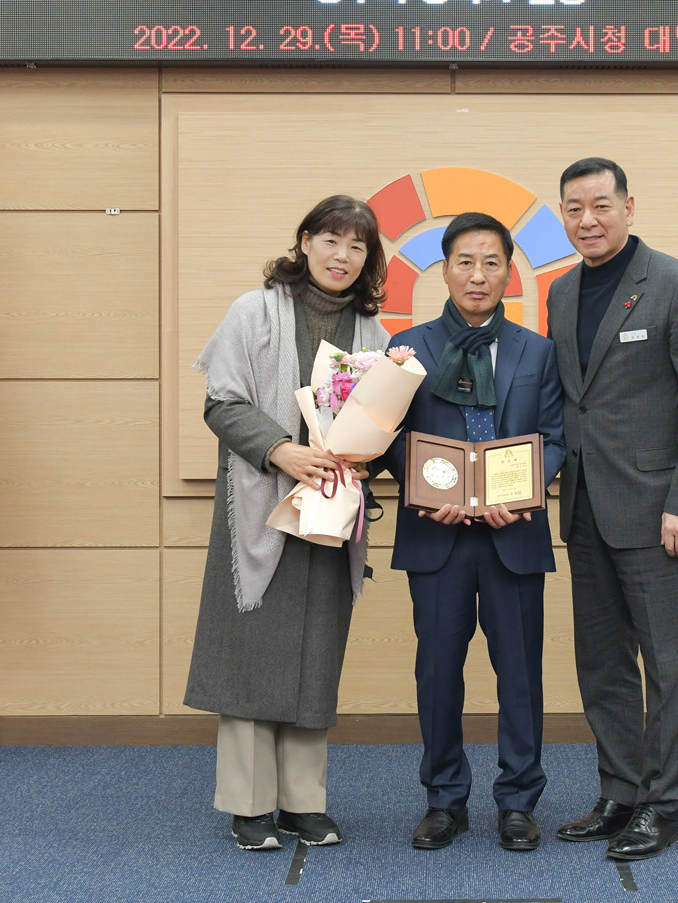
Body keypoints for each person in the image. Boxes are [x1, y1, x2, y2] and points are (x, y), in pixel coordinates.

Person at [186, 195, 389, 851]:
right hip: (261, 506)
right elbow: (222, 404)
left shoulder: (374, 335)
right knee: (253, 650)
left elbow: (380, 423)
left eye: (357, 245)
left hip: (331, 510)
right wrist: (282, 450)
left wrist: (368, 451)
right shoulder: (254, 311)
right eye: (331, 240)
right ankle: (248, 806)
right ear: (304, 242)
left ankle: (303, 803)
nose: (342, 255)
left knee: (316, 650)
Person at [545, 157, 678, 861]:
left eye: (600, 204)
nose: (587, 220)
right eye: (574, 208)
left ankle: (663, 804)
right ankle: (620, 792)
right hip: (585, 508)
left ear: (629, 206)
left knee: (669, 665)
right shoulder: (562, 291)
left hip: (661, 515)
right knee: (602, 664)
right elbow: (574, 401)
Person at [381, 212, 566, 853]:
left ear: (509, 271)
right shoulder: (406, 349)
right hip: (437, 537)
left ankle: (518, 801)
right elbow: (388, 437)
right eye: (465, 261)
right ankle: (444, 800)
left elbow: (555, 438)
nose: (478, 275)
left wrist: (523, 492)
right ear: (445, 269)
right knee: (438, 673)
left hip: (515, 535)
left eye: (491, 262)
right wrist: (426, 489)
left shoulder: (538, 351)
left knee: (520, 675)